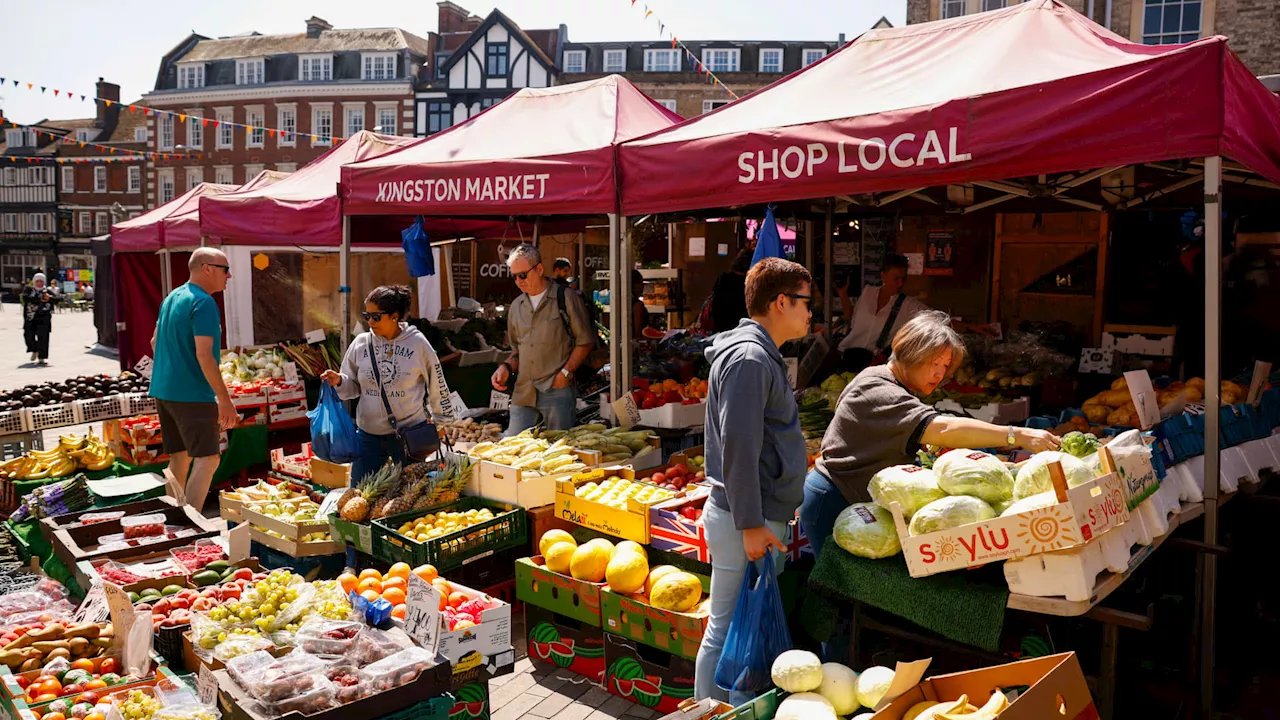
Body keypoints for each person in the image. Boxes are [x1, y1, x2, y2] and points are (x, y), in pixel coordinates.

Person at [801, 310, 1062, 560]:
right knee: (836, 589)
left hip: (855, 499)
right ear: (911, 354)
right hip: (834, 498)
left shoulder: (892, 383)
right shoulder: (878, 388)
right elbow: (942, 429)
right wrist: (1016, 435)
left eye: (945, 366)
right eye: (933, 363)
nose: (940, 374)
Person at [695, 258, 813, 703]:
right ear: (780, 302)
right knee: (724, 627)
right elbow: (738, 447)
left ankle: (726, 709)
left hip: (755, 516)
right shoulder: (748, 358)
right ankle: (706, 711)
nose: (809, 313)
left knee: (734, 626)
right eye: (804, 303)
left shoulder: (757, 353)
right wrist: (750, 524)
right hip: (745, 519)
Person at [321, 285, 454, 485]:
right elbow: (352, 388)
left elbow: (437, 383)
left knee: (410, 494)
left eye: (376, 316)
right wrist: (339, 381)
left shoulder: (417, 344)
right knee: (359, 491)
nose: (370, 322)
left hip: (409, 436)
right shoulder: (360, 344)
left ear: (394, 316)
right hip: (368, 436)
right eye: (367, 315)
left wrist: (441, 421)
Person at [150, 248, 239, 511]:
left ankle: (175, 517)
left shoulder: (172, 297)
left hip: (164, 391)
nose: (229, 275)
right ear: (207, 268)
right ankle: (192, 523)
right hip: (192, 394)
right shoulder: (204, 303)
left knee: (179, 457)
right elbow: (204, 356)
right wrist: (224, 398)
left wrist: (173, 368)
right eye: (225, 269)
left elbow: (154, 342)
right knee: (208, 459)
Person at [491, 245, 594, 435]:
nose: (518, 281)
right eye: (514, 277)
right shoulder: (516, 307)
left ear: (539, 269)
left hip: (556, 391)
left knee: (558, 452)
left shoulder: (566, 298)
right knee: (515, 449)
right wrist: (505, 367)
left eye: (522, 275)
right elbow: (518, 350)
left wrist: (565, 373)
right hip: (524, 392)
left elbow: (585, 341)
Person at [835, 254, 928, 372]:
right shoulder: (868, 292)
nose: (900, 283)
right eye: (896, 278)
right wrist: (843, 294)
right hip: (845, 356)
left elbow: (937, 319)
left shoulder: (908, 305)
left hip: (871, 366)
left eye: (903, 279)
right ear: (883, 276)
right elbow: (849, 316)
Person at [707, 248, 752, 334]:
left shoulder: (723, 279)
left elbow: (716, 306)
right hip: (743, 331)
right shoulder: (750, 285)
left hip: (722, 329)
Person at [22, 273, 56, 365]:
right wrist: (40, 299)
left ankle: (42, 357)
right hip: (30, 317)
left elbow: (57, 298)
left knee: (43, 338)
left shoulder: (47, 291)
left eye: (41, 281)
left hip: (43, 318)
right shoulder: (29, 289)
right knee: (28, 336)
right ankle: (34, 349)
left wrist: (50, 298)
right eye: (37, 281)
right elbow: (25, 297)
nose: (39, 283)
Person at [631, 269, 649, 339]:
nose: (643, 286)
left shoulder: (622, 302)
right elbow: (637, 330)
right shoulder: (638, 305)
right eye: (641, 283)